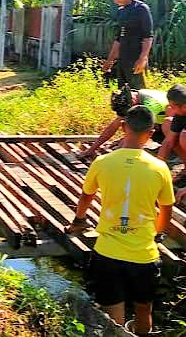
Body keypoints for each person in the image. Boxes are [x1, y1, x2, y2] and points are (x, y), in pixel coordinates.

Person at [66, 105, 174, 335]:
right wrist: (158, 234)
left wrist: (79, 220)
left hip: (108, 254)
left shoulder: (102, 162)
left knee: (114, 319)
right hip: (144, 256)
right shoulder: (160, 168)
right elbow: (166, 208)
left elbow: (86, 196)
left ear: (123, 128)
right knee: (144, 311)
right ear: (151, 132)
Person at [79, 85, 171, 158]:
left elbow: (139, 131)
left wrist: (119, 148)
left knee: (130, 141)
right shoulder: (134, 97)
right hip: (159, 125)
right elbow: (114, 126)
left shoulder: (151, 105)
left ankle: (171, 149)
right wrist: (92, 149)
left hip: (174, 127)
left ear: (133, 102)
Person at [101, 0, 153, 90]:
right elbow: (119, 38)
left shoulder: (141, 9)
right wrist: (110, 60)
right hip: (123, 59)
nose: (115, 0)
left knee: (139, 94)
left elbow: (148, 37)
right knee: (123, 93)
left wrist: (143, 58)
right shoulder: (121, 11)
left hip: (136, 59)